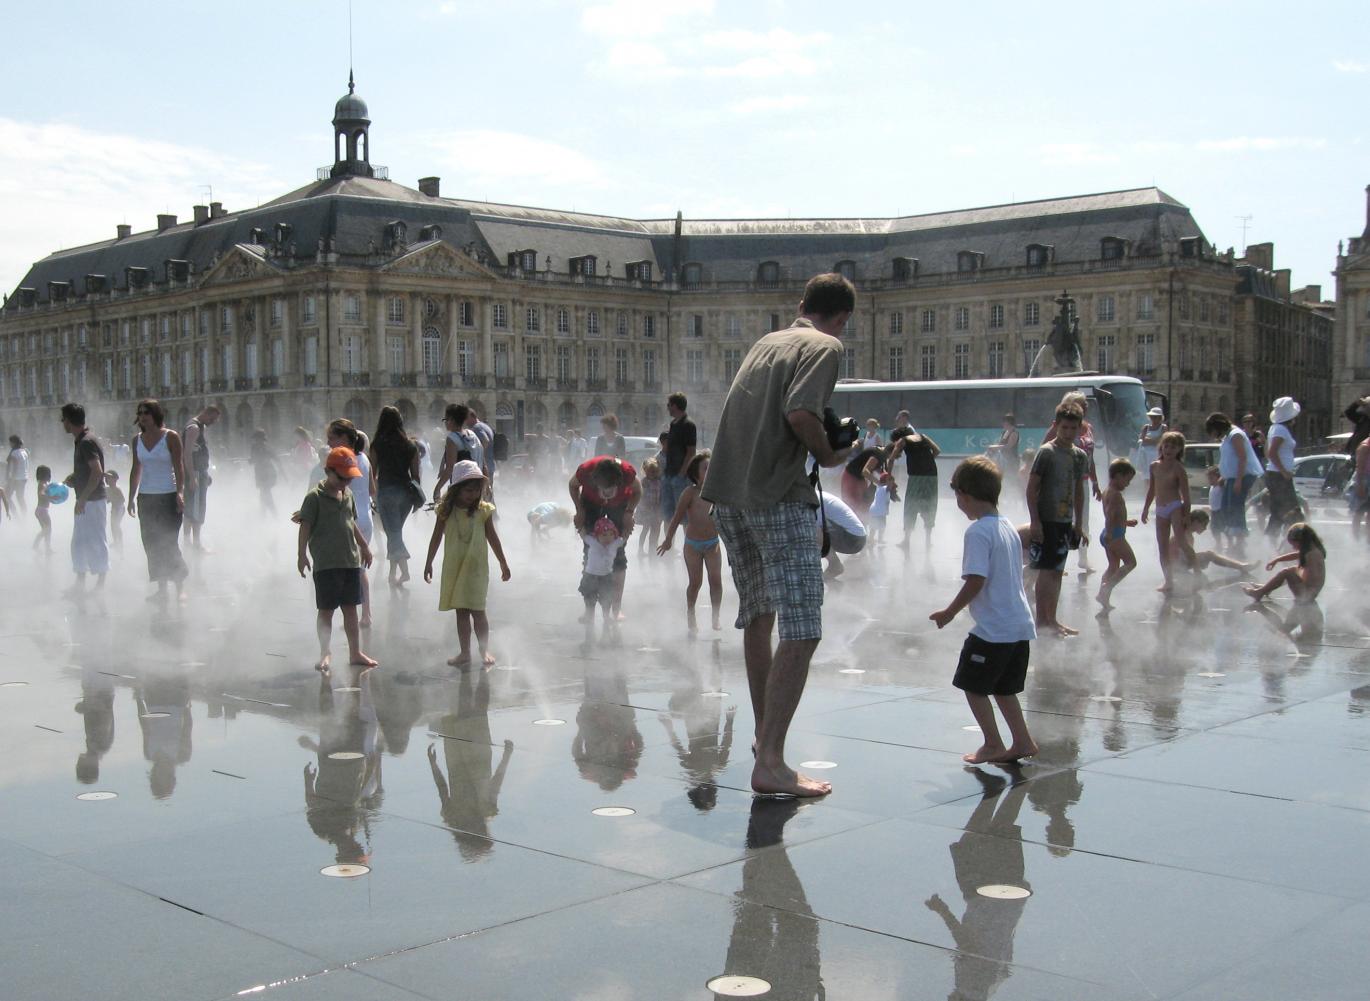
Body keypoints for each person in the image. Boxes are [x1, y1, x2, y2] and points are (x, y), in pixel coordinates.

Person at [700, 271, 854, 798]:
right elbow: (800, 413)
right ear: (841, 317)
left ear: (801, 303)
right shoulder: (825, 345)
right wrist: (832, 454)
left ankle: (765, 741)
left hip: (727, 497)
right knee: (804, 626)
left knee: (758, 616)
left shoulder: (768, 342)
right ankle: (770, 761)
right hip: (775, 498)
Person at [929, 456, 1038, 764]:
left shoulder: (978, 533)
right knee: (1004, 688)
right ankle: (1022, 741)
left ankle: (992, 743)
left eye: (958, 497)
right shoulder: (1006, 526)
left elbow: (977, 579)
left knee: (972, 685)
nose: (958, 505)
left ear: (965, 494)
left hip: (994, 629)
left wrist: (950, 612)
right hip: (1019, 625)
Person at [423, 460, 510, 667]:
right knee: (461, 612)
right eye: (468, 490)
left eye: (476, 490)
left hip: (476, 569)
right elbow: (436, 537)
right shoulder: (446, 511)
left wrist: (503, 563)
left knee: (478, 611)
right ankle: (464, 652)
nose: (472, 495)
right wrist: (428, 562)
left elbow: (493, 538)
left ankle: (483, 650)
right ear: (456, 490)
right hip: (454, 567)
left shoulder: (483, 510)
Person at [297, 447, 376, 673]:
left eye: (349, 479)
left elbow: (351, 523)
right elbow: (305, 526)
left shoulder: (347, 495)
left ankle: (355, 652)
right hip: (326, 563)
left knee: (351, 609)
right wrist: (301, 555)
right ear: (327, 471)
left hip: (349, 561)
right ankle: (325, 652)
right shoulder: (314, 497)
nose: (345, 483)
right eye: (341, 478)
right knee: (326, 611)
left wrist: (364, 547)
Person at [1026, 401, 1087, 636]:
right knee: (1045, 570)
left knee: (1058, 571)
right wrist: (1035, 521)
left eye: (1074, 429)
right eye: (1065, 429)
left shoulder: (1080, 456)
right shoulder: (1047, 452)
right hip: (1047, 519)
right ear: (1056, 426)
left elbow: (1080, 492)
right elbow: (1032, 488)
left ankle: (1052, 618)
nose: (1069, 433)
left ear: (1080, 428)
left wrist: (1079, 524)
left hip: (1065, 520)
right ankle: (1042, 619)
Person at [127, 399, 189, 603]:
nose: (143, 416)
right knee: (152, 545)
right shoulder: (137, 440)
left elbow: (179, 466)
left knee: (168, 542)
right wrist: (131, 497)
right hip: (146, 497)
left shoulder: (170, 437)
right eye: (140, 413)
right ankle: (162, 589)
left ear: (156, 415)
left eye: (147, 412)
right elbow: (136, 469)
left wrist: (180, 492)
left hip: (168, 495)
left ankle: (179, 586)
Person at [568, 456, 641, 620]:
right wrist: (579, 510)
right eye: (604, 491)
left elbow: (638, 490)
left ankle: (616, 609)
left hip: (620, 504)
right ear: (595, 483)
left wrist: (629, 513)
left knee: (619, 554)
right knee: (590, 552)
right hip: (591, 503)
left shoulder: (627, 472)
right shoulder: (585, 471)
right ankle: (589, 609)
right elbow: (572, 486)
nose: (606, 496)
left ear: (619, 483)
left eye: (610, 491)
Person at [658, 451, 723, 633]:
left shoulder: (717, 492)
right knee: (696, 582)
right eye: (705, 468)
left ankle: (715, 616)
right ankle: (691, 613)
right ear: (696, 473)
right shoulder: (690, 493)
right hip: (693, 545)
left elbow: (728, 516)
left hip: (712, 543)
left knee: (716, 581)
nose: (710, 471)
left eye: (711, 468)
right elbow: (677, 517)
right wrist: (668, 539)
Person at [1043, 392, 1100, 572]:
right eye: (1080, 405)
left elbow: (1090, 458)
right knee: (1063, 519)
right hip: (1062, 481)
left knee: (1083, 521)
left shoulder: (1088, 428)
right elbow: (1045, 450)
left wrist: (1096, 482)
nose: (1084, 408)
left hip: (1081, 481)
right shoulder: (1060, 426)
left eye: (1084, 406)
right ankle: (1060, 559)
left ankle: (1083, 557)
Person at [325, 420, 375, 628]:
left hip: (351, 518)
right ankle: (366, 613)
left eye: (332, 438)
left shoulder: (343, 461)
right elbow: (373, 489)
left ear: (344, 438)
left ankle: (359, 614)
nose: (329, 443)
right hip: (366, 516)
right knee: (360, 568)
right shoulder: (364, 459)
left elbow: (335, 492)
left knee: (354, 569)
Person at [370, 405, 421, 587]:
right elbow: (416, 475)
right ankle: (392, 573)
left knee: (393, 533)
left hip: (387, 492)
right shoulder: (410, 445)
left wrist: (373, 496)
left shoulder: (377, 444)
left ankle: (405, 572)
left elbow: (372, 472)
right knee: (395, 531)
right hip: (406, 493)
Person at [61, 402, 109, 591]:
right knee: (79, 541)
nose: (62, 423)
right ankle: (80, 582)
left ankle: (100, 584)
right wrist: (76, 478)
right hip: (87, 499)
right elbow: (90, 471)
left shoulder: (86, 441)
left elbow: (97, 472)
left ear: (69, 420)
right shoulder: (83, 440)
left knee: (96, 539)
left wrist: (83, 498)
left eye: (63, 419)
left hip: (93, 500)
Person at [1141, 431, 1191, 592]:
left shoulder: (1178, 468)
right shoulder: (1154, 466)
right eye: (1166, 446)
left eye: (1173, 447)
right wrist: (1145, 509)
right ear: (1161, 447)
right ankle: (1168, 581)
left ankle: (1196, 571)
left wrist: (1187, 515)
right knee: (1162, 547)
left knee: (1181, 542)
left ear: (1179, 450)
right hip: (1160, 509)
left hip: (1175, 506)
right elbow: (1152, 490)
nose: (1168, 450)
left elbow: (1186, 494)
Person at [1206, 412, 1260, 558]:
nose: (1213, 435)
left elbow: (1242, 458)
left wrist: (1238, 480)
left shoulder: (1236, 435)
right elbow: (1229, 459)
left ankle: (1239, 543)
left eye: (1212, 431)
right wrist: (1224, 476)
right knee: (1226, 508)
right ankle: (1232, 542)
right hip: (1231, 477)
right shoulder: (1228, 436)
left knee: (1235, 507)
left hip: (1241, 476)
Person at [1244, 522, 1325, 606]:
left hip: (1307, 594)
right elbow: (1296, 555)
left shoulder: (1311, 555)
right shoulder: (1313, 550)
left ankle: (1260, 592)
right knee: (1293, 570)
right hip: (1309, 592)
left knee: (1287, 572)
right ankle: (1267, 588)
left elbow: (1314, 577)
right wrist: (1277, 559)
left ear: (1302, 541)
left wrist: (1302, 576)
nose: (1294, 548)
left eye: (1295, 545)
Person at [1095, 457, 1138, 610]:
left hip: (1109, 533)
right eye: (1127, 480)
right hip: (1115, 535)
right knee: (1131, 563)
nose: (1128, 484)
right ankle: (1108, 586)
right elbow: (1110, 514)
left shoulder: (1107, 491)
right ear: (1118, 475)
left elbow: (1114, 516)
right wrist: (1111, 532)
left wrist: (1126, 522)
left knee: (1113, 567)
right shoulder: (1115, 495)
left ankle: (1103, 595)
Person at [889, 424, 940, 547]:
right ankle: (928, 541)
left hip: (916, 477)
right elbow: (937, 451)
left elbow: (891, 459)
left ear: (898, 438)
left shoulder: (902, 440)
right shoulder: (923, 437)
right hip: (932, 476)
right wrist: (925, 461)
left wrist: (889, 476)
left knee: (911, 506)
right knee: (930, 505)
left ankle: (906, 541)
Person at [579, 515, 625, 645]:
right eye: (604, 535)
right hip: (590, 575)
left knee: (606, 598)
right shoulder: (592, 541)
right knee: (589, 599)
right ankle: (589, 616)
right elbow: (583, 535)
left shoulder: (615, 543)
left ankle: (606, 616)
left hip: (606, 577)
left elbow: (624, 537)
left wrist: (628, 527)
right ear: (597, 535)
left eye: (610, 534)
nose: (607, 538)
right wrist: (579, 523)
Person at [181, 404, 220, 550]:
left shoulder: (197, 427)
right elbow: (187, 453)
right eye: (213, 419)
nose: (213, 422)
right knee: (195, 510)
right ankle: (194, 544)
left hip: (199, 472)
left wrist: (205, 473)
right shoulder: (194, 428)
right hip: (195, 473)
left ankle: (190, 543)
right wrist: (192, 476)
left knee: (194, 508)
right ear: (207, 414)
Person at [1262, 397, 1302, 539]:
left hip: (1275, 474)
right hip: (1279, 476)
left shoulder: (1275, 428)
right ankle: (1293, 541)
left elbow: (1267, 452)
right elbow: (1272, 452)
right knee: (1294, 512)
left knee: (1278, 511)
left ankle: (1270, 542)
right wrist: (1284, 471)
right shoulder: (1281, 430)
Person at [433, 403, 483, 505]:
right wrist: (487, 486)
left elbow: (450, 468)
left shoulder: (452, 438)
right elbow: (484, 463)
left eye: (445, 419)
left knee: (451, 518)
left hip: (461, 489)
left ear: (451, 420)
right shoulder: (473, 435)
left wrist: (437, 488)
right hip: (478, 486)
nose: (445, 423)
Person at [661, 392, 697, 523]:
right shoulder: (673, 424)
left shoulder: (688, 425)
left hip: (680, 477)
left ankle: (687, 543)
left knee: (684, 515)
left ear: (675, 406)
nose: (667, 408)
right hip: (669, 474)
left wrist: (681, 474)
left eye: (668, 405)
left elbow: (691, 451)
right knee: (668, 515)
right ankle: (669, 542)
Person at [817, 488, 867, 579]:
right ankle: (830, 575)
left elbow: (818, 532)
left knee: (813, 533)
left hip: (852, 538)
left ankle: (835, 565)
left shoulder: (814, 501)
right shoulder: (816, 495)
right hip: (857, 536)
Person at [839, 441, 884, 520]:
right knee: (851, 506)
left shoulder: (879, 454)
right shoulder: (877, 454)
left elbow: (876, 469)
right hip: (851, 477)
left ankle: (862, 525)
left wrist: (885, 478)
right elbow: (865, 472)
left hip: (859, 479)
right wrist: (879, 483)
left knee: (863, 505)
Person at [249, 429, 279, 514]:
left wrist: (251, 461)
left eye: (258, 438)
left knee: (265, 494)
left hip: (265, 474)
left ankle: (270, 514)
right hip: (264, 473)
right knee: (264, 494)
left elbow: (255, 459)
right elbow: (276, 458)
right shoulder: (265, 447)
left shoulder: (257, 447)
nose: (257, 440)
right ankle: (266, 514)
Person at [638, 457, 664, 555]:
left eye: (654, 472)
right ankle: (640, 549)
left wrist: (660, 507)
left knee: (655, 529)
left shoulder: (659, 482)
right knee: (645, 529)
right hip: (646, 510)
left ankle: (652, 548)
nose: (652, 474)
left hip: (656, 509)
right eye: (650, 472)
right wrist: (644, 505)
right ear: (645, 471)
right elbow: (640, 495)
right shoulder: (644, 482)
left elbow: (661, 495)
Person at [986, 414, 1020, 484]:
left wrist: (995, 447)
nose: (1003, 424)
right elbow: (1000, 444)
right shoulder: (1005, 432)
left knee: (1010, 479)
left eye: (1004, 422)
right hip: (1003, 460)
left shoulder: (1014, 433)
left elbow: (1009, 446)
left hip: (1011, 460)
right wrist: (993, 447)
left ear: (1008, 422)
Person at [867, 470, 897, 546]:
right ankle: (872, 539)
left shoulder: (880, 487)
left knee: (878, 526)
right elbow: (889, 487)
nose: (893, 483)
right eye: (891, 481)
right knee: (878, 526)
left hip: (876, 510)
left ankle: (875, 539)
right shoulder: (884, 488)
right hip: (878, 511)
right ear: (886, 482)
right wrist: (891, 481)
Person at [1136, 407, 1166, 476]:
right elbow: (1141, 440)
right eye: (1152, 417)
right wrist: (1154, 440)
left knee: (1156, 474)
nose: (1153, 419)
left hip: (1157, 454)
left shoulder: (1163, 427)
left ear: (1160, 418)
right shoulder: (1146, 427)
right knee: (1146, 475)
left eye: (1155, 417)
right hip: (1145, 456)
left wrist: (1147, 440)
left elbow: (1162, 440)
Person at [6, 434, 30, 513]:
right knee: (20, 497)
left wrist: (12, 479)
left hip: (16, 478)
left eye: (10, 443)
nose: (9, 444)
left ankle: (15, 514)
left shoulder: (14, 453)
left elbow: (14, 466)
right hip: (24, 477)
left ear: (13, 443)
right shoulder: (24, 451)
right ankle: (24, 515)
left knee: (7, 496)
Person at [33, 464, 53, 553]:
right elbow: (41, 494)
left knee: (46, 530)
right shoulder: (42, 484)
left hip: (41, 510)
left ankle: (46, 547)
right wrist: (51, 497)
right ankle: (38, 545)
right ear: (47, 475)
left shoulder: (43, 483)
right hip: (42, 511)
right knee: (47, 529)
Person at [104, 471, 125, 550]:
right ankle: (116, 541)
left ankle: (119, 543)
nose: (106, 480)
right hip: (114, 509)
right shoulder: (108, 489)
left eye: (108, 478)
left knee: (116, 525)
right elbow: (107, 499)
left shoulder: (117, 489)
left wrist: (112, 499)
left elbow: (122, 499)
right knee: (113, 526)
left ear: (115, 480)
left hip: (119, 508)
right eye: (106, 478)